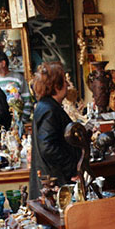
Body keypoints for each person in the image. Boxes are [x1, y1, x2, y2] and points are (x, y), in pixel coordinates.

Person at [29, 61, 80, 199]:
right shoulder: (49, 110)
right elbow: (48, 147)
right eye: (64, 81)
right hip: (54, 180)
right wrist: (71, 168)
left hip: (51, 177)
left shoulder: (45, 106)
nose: (67, 85)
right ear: (56, 86)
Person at [0, 50, 32, 123]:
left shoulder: (18, 78)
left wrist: (23, 120)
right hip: (0, 123)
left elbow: (27, 100)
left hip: (18, 122)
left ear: (3, 63)